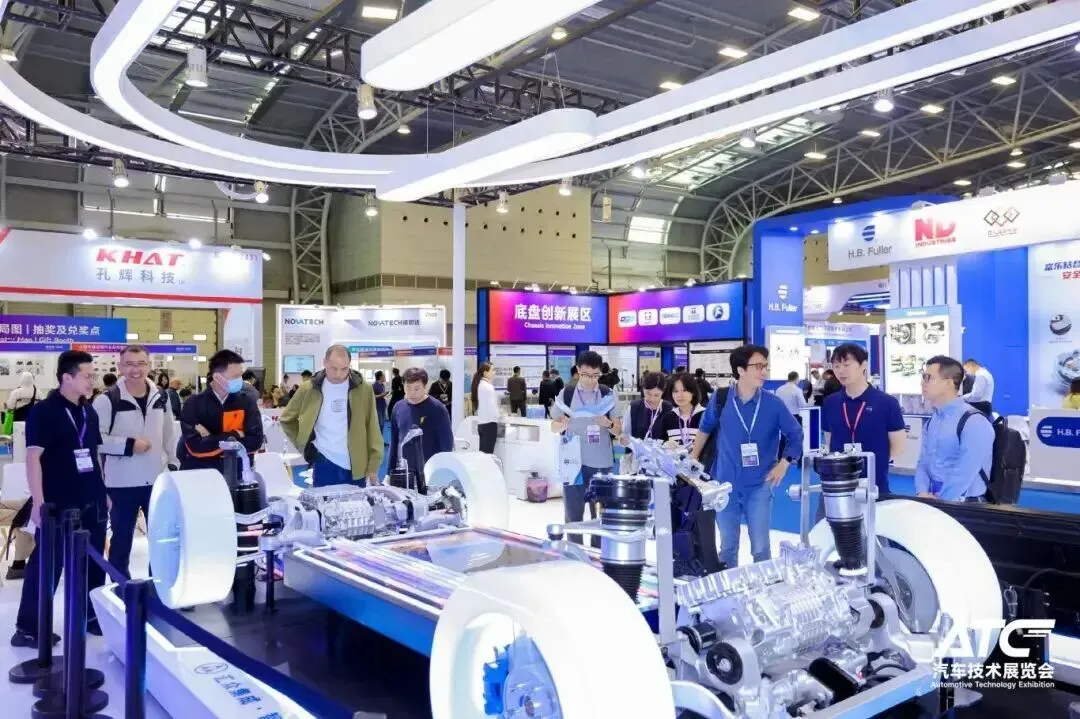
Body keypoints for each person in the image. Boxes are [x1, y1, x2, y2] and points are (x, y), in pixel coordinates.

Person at [12, 351, 107, 647]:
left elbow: (93, 455)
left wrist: (103, 491)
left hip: (91, 498)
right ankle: (28, 628)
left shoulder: (88, 411)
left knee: (94, 561)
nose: (92, 381)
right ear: (67, 377)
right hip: (58, 500)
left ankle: (91, 617)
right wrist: (39, 502)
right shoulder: (44, 412)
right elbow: (33, 459)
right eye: (87, 376)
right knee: (48, 565)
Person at [691, 345, 802, 568]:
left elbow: (795, 434)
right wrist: (693, 458)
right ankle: (729, 588)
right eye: (758, 366)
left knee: (760, 547)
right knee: (727, 546)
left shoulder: (773, 404)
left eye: (765, 366)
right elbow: (705, 428)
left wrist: (784, 464)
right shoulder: (721, 399)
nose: (764, 372)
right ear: (741, 370)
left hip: (760, 484)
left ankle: (763, 587)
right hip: (724, 484)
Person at [93, 345, 177, 580]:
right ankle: (121, 588)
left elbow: (170, 433)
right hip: (121, 483)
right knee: (121, 541)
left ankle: (159, 585)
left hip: (157, 480)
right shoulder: (107, 400)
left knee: (162, 539)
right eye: (129, 364)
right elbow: (96, 441)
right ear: (120, 367)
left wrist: (173, 464)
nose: (135, 369)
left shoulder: (161, 396)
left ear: (149, 366)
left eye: (141, 364)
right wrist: (129, 445)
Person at [279, 345, 382, 488]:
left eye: (344, 369)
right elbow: (287, 419)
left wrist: (373, 465)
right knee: (323, 502)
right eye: (334, 368)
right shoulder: (309, 388)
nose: (339, 374)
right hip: (324, 461)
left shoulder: (363, 389)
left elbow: (372, 427)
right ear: (324, 363)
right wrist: (305, 445)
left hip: (357, 465)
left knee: (356, 502)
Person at [551, 351, 621, 546]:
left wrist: (607, 423)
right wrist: (561, 424)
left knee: (601, 514)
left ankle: (598, 553)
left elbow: (618, 430)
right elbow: (552, 426)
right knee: (573, 514)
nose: (590, 380)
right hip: (572, 463)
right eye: (585, 375)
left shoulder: (608, 394)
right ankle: (575, 553)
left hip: (600, 462)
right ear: (578, 371)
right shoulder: (567, 393)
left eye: (595, 375)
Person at [821, 343, 906, 501]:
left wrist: (876, 461)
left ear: (863, 365)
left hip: (875, 484)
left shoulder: (887, 403)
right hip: (838, 484)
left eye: (846, 364)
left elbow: (898, 446)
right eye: (836, 366)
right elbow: (829, 438)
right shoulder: (830, 402)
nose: (841, 371)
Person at [915, 356, 994, 502]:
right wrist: (922, 492)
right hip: (934, 501)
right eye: (923, 377)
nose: (922, 383)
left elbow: (965, 471)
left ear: (949, 383)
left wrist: (942, 500)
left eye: (928, 378)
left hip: (966, 504)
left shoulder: (974, 421)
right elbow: (923, 463)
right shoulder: (932, 421)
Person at [177, 350, 264, 478]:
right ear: (217, 377)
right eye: (235, 376)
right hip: (201, 476)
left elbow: (255, 441)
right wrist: (235, 435)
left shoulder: (246, 402)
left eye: (241, 376)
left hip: (237, 475)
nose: (240, 380)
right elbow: (195, 447)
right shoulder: (193, 404)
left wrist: (210, 438)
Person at [387, 368, 454, 492]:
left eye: (416, 388)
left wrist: (444, 474)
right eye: (408, 388)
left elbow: (447, 446)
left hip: (431, 475)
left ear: (425, 386)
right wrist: (388, 473)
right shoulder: (398, 407)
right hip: (404, 473)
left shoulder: (438, 409)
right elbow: (394, 442)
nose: (412, 392)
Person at [619, 371, 670, 472]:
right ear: (643, 389)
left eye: (656, 395)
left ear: (663, 392)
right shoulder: (634, 407)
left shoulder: (669, 409)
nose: (651, 398)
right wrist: (624, 441)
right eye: (648, 393)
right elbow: (625, 435)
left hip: (661, 464)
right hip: (636, 463)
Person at [660, 372, 704, 451]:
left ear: (693, 392)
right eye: (675, 391)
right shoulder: (668, 417)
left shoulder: (705, 416)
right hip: (674, 459)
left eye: (684, 390)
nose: (680, 395)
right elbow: (662, 443)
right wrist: (666, 445)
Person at [472, 362, 499, 454]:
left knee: (483, 453)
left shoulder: (480, 385)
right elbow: (492, 406)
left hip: (482, 423)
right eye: (492, 370)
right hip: (490, 423)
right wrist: (499, 415)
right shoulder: (488, 387)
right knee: (488, 454)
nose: (494, 372)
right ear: (485, 372)